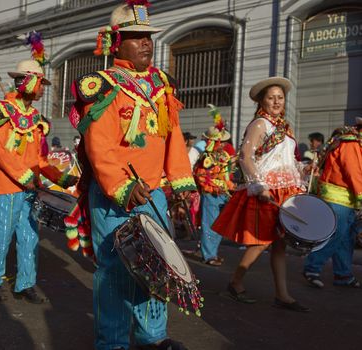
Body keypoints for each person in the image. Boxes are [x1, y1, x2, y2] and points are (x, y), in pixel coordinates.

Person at [69, 3, 196, 349]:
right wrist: (122, 186)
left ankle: (152, 337)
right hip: (116, 195)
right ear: (115, 43)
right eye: (135, 37)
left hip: (153, 194)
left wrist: (182, 182)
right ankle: (111, 342)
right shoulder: (103, 85)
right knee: (114, 270)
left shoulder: (161, 85)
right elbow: (98, 145)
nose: (145, 43)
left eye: (148, 37)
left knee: (158, 267)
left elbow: (174, 137)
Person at [0, 57, 78, 303]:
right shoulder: (1, 110)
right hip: (6, 186)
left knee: (29, 236)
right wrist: (24, 176)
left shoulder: (35, 118)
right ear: (27, 81)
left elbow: (40, 159)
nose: (43, 88)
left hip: (30, 188)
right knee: (0, 234)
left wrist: (61, 177)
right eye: (40, 82)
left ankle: (26, 282)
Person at [212, 76, 310, 312]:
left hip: (287, 189)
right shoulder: (259, 124)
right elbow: (245, 157)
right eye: (271, 98)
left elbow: (290, 161)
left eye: (280, 97)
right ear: (262, 102)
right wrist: (258, 185)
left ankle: (283, 295)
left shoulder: (286, 128)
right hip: (266, 188)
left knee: (279, 244)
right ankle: (235, 282)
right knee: (263, 241)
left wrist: (304, 170)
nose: (276, 101)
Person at [302, 120, 362, 288]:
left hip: (345, 196)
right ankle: (312, 267)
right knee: (336, 234)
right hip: (338, 195)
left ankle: (343, 275)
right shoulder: (351, 143)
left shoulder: (353, 141)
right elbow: (353, 172)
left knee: (345, 238)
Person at [194, 106, 235, 266]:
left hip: (224, 191)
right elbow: (199, 171)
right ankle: (209, 255)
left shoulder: (227, 152)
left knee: (219, 224)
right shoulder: (206, 153)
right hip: (211, 191)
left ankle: (213, 252)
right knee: (210, 223)